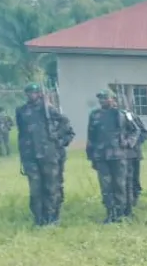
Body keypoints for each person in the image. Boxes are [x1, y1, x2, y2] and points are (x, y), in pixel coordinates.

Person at [16, 82, 74, 226]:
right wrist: (22, 153)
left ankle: (52, 217)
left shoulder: (48, 109)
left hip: (48, 154)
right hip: (30, 155)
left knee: (51, 187)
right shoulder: (21, 110)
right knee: (35, 189)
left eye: (34, 92)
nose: (31, 95)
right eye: (28, 92)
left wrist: (55, 136)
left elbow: (65, 124)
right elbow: (21, 133)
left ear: (39, 94)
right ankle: (39, 218)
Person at [86, 89, 139, 223]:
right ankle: (110, 213)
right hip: (101, 156)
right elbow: (91, 136)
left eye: (105, 98)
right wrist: (91, 156)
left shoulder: (122, 114)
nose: (103, 101)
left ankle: (121, 213)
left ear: (113, 99)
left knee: (120, 185)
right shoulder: (94, 115)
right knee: (106, 187)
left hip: (119, 155)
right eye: (101, 98)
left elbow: (135, 130)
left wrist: (128, 143)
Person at [125, 112, 147, 215]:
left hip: (134, 154)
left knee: (134, 178)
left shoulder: (131, 116)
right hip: (118, 155)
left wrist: (134, 143)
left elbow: (143, 132)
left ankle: (134, 198)